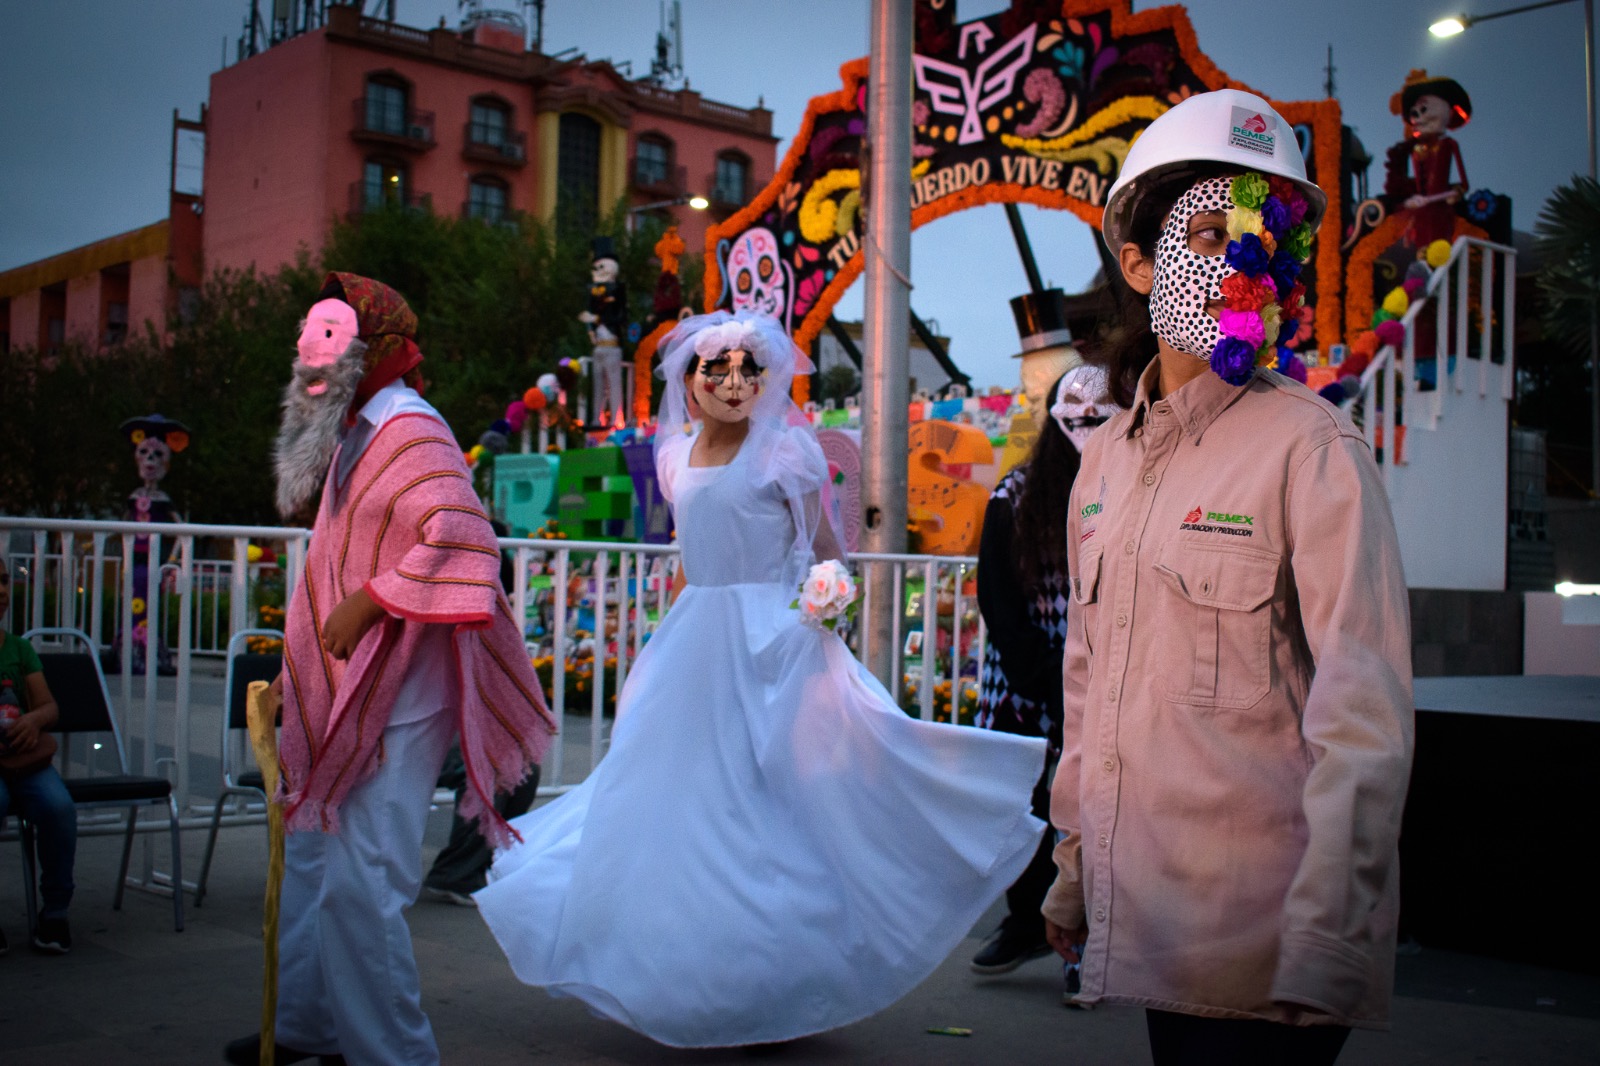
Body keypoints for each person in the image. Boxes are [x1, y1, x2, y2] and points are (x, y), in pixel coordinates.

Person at [476, 310, 1048, 1049]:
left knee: (779, 804)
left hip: (776, 644)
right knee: (675, 804)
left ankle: (767, 980)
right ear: (691, 381)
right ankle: (691, 975)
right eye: (718, 370)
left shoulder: (787, 452)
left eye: (749, 369)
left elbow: (829, 552)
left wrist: (819, 605)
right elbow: (695, 555)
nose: (734, 382)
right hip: (696, 646)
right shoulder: (675, 455)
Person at [1041, 89, 1414, 1065]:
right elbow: (1089, 689)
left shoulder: (1313, 448)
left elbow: (1363, 717)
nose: (1241, 267)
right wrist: (1073, 869)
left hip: (1269, 942)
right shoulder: (1103, 465)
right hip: (1153, 924)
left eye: (1262, 241)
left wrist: (1330, 939)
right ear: (1137, 263)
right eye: (1207, 234)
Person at [224, 272, 557, 1066]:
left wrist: (372, 600)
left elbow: (465, 538)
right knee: (313, 853)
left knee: (361, 881)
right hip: (348, 683)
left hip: (398, 689)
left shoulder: (408, 426)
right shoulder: (357, 429)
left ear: (373, 351)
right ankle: (309, 1026)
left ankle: (392, 1056)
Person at [970, 365, 1120, 982]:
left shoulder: (1135, 491)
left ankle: (1090, 945)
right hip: (1026, 683)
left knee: (1098, 810)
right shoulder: (1014, 496)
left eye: (1099, 414)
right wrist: (1051, 684)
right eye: (1074, 414)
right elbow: (998, 600)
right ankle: (1027, 919)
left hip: (1110, 678)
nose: (1085, 425)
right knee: (1023, 808)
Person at [0, 557, 76, 957]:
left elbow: (49, 707)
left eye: (3, 581)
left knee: (58, 806)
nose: (0, 591)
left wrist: (32, 719)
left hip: (24, 759)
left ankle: (56, 912)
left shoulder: (19, 649)